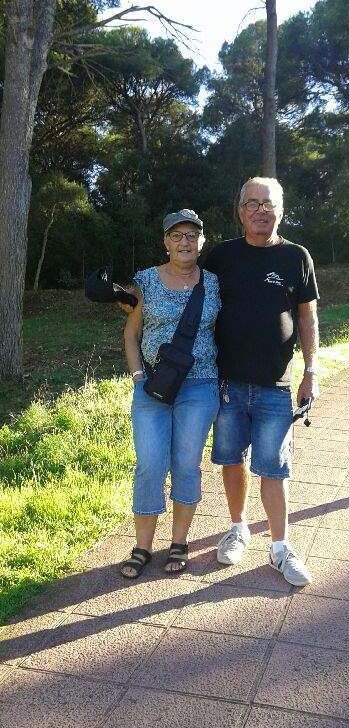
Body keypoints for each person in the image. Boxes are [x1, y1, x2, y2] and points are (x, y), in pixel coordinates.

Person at [203, 176, 319, 587]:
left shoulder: (296, 257)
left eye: (268, 203)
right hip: (228, 384)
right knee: (231, 459)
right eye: (251, 203)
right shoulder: (220, 257)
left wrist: (311, 371)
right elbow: (187, 294)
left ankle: (280, 548)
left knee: (274, 467)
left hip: (276, 385)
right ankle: (238, 528)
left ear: (280, 210)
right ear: (240, 211)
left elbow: (307, 317)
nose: (260, 210)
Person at [120, 209, 220, 578]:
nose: (184, 242)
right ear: (165, 242)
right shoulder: (145, 281)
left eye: (192, 235)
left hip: (200, 386)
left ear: (201, 241)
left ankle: (179, 542)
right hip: (152, 387)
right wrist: (137, 376)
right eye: (176, 235)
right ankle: (142, 547)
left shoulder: (214, 283)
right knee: (150, 463)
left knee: (186, 463)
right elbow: (131, 333)